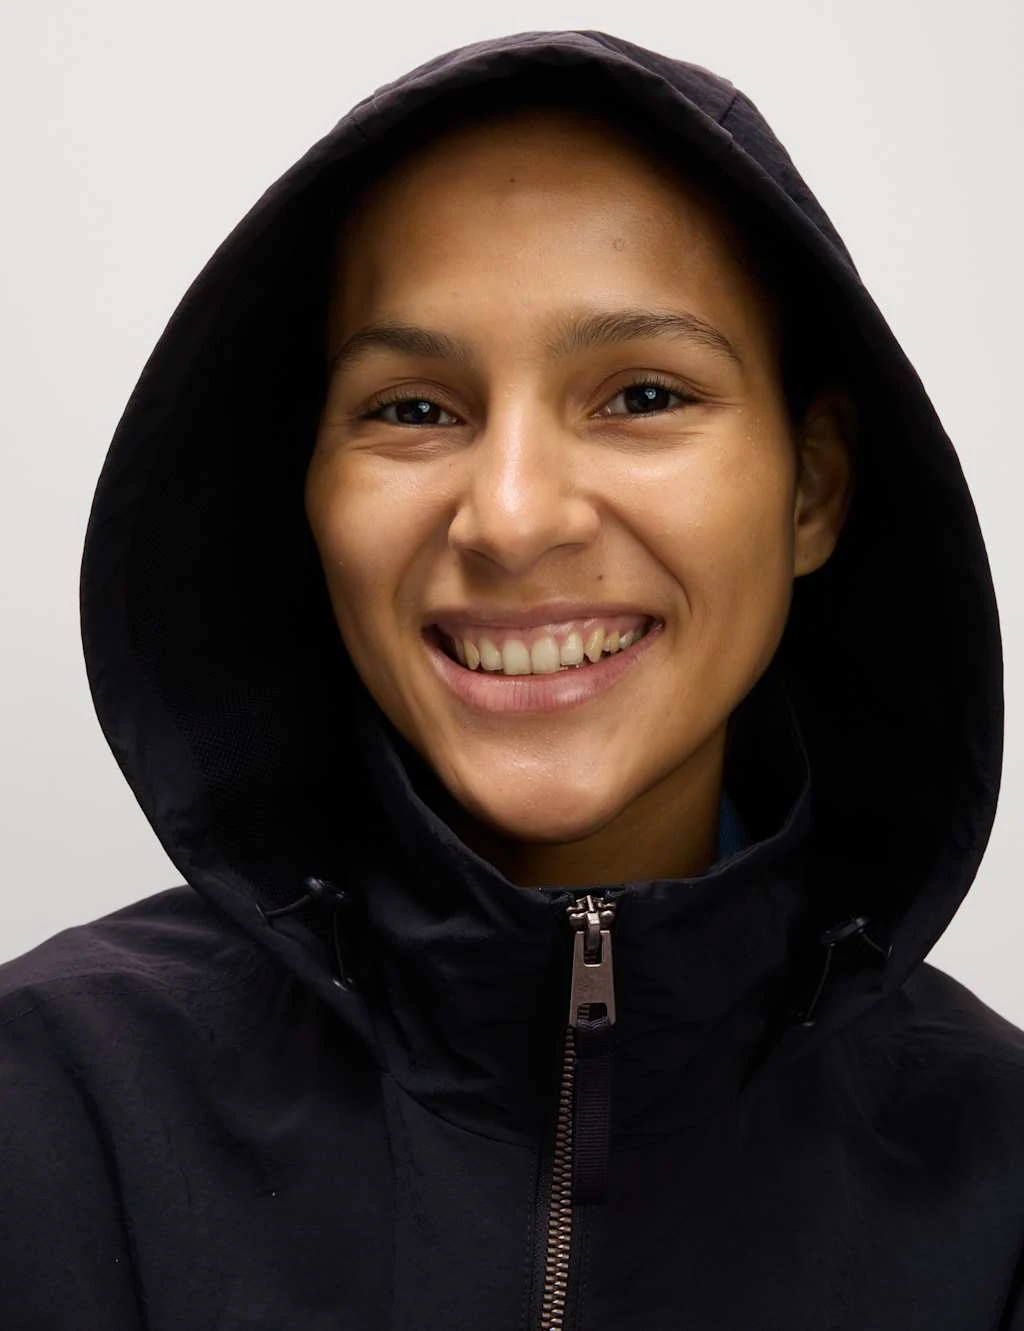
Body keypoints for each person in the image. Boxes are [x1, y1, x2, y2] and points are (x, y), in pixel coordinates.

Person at [1, 27, 1020, 1330]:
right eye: (413, 409)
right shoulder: (48, 1111)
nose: (514, 516)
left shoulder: (1000, 1184)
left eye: (642, 395)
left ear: (812, 487)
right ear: (302, 486)